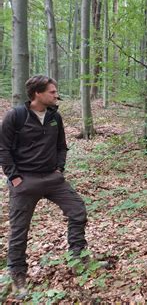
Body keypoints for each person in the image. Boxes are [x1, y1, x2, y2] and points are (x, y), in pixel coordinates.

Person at [0, 75, 88, 299]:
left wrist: (59, 169)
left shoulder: (54, 116)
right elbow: (3, 149)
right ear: (37, 93)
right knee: (19, 230)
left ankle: (77, 256)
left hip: (52, 179)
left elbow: (62, 146)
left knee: (77, 210)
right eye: (51, 91)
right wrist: (15, 178)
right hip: (25, 182)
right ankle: (18, 275)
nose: (55, 94)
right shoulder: (16, 116)